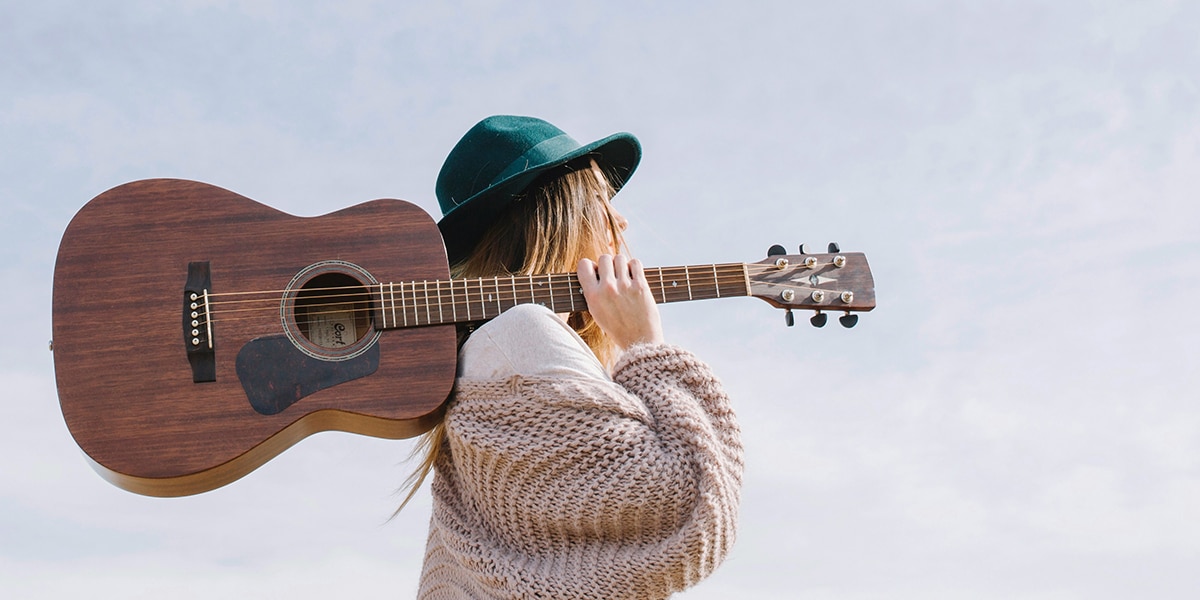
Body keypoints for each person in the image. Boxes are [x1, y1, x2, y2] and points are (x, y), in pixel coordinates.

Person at [407, 115, 743, 599]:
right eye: (602, 200)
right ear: (559, 214)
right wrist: (645, 344)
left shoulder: (488, 354)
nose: (621, 220)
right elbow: (686, 503)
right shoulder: (521, 337)